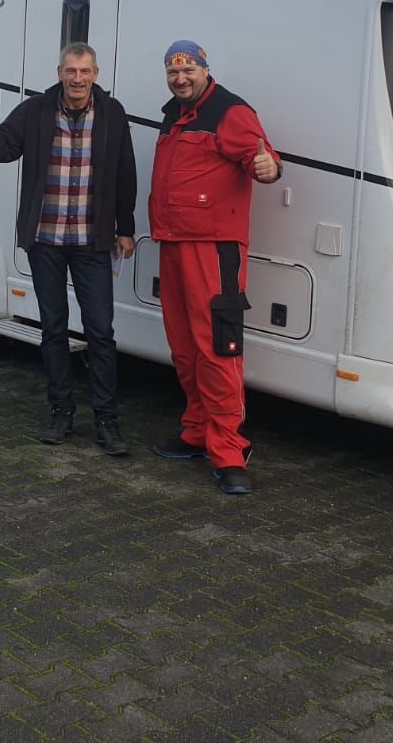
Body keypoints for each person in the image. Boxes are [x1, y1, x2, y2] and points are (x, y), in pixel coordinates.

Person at [0, 43, 137, 455]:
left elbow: (124, 173)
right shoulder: (37, 110)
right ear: (59, 72)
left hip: (91, 242)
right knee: (54, 328)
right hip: (46, 240)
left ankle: (106, 420)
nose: (77, 78)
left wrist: (125, 227)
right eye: (70, 71)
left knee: (100, 331)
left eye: (84, 71)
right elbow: (2, 150)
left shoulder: (113, 114)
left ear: (95, 73)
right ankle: (60, 411)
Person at [148, 40, 281, 495]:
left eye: (188, 70)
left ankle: (228, 451)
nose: (180, 79)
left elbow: (264, 158)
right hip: (173, 243)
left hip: (214, 250)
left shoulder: (229, 111)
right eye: (172, 72)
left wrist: (269, 167)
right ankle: (196, 431)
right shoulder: (175, 113)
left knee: (218, 350)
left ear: (205, 69)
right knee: (184, 347)